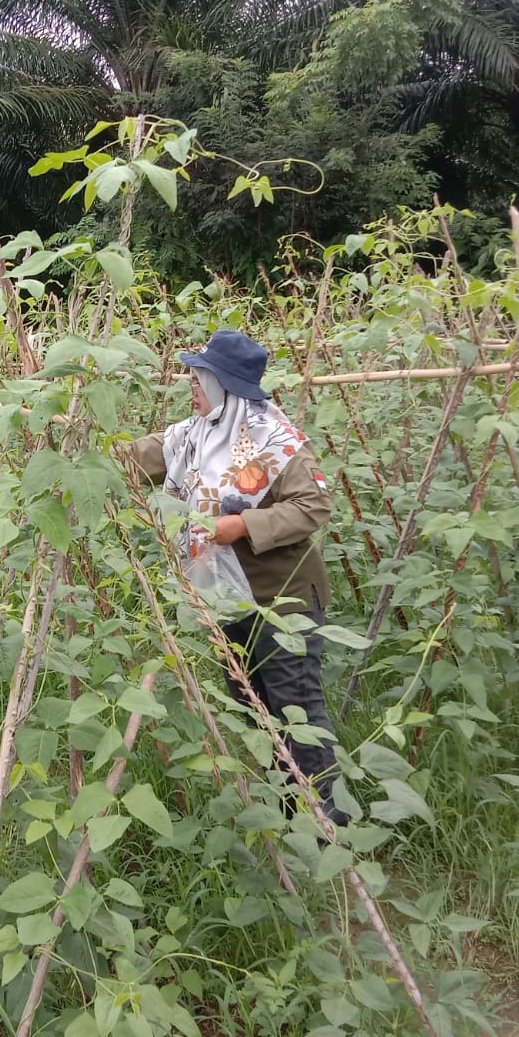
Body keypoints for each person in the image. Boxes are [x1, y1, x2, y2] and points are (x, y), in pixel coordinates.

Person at [125, 329, 347, 824]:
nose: (191, 386)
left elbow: (314, 505)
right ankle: (285, 808)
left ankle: (321, 820)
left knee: (297, 706)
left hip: (281, 598)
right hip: (228, 597)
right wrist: (84, 440)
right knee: (251, 701)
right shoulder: (197, 435)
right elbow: (145, 456)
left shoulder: (275, 443)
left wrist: (243, 524)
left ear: (224, 384)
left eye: (199, 377)